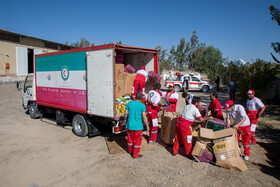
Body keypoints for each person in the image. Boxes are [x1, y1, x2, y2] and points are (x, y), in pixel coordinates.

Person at [124, 91, 149, 159]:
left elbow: (125, 113)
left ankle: (130, 151)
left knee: (130, 140)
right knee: (137, 141)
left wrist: (126, 120)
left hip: (130, 125)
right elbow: (144, 117)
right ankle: (135, 155)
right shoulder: (142, 105)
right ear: (141, 98)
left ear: (134, 97)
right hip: (138, 127)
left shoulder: (129, 103)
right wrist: (147, 125)